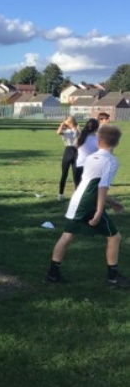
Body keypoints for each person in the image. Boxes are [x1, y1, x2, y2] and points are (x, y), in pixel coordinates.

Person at [46, 124, 129, 288]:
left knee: (67, 236)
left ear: (98, 141)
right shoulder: (111, 161)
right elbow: (102, 186)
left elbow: (90, 184)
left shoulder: (91, 157)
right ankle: (113, 279)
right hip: (89, 204)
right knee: (114, 237)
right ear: (117, 143)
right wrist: (99, 211)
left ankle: (52, 275)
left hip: (77, 200)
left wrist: (111, 202)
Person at [56, 116, 79, 201]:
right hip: (68, 151)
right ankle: (60, 194)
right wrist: (62, 124)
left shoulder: (77, 129)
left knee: (76, 174)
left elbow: (79, 134)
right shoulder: (65, 131)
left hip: (76, 151)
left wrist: (75, 127)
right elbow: (58, 132)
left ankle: (77, 194)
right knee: (64, 174)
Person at [74, 118, 99, 187]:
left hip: (79, 165)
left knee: (78, 188)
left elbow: (76, 146)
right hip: (91, 166)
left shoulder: (81, 137)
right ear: (97, 128)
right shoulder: (97, 139)